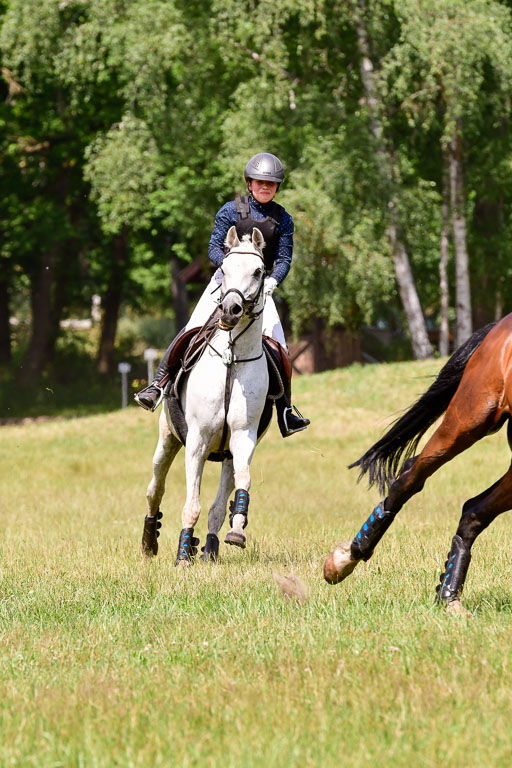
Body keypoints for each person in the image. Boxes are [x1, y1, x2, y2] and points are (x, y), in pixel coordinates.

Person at [135, 152, 310, 437]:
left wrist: (272, 281)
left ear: (277, 187)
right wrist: (230, 266)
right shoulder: (230, 210)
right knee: (191, 329)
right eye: (260, 182)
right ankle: (157, 385)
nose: (265, 187)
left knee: (280, 345)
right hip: (225, 282)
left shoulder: (284, 219)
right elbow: (214, 247)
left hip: (258, 287)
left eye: (271, 183)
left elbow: (284, 259)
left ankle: (286, 411)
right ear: (249, 183)